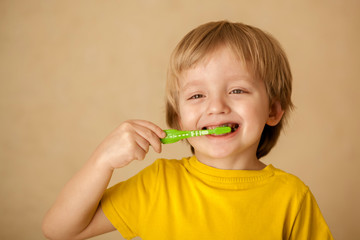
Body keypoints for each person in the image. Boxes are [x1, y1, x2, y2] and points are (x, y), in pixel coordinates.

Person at [42, 20, 334, 240]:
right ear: (179, 119)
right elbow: (60, 230)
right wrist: (102, 160)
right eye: (197, 96)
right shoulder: (157, 185)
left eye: (237, 90)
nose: (216, 107)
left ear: (272, 111)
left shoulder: (292, 197)